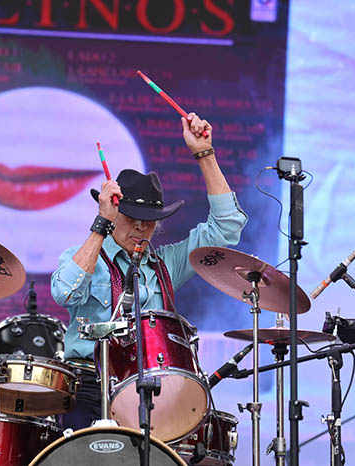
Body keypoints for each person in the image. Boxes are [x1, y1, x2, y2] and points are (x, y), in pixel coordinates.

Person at [50, 113, 248, 430]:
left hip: (153, 390)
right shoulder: (85, 255)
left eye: (150, 220)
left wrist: (205, 154)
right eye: (131, 217)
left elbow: (227, 228)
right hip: (87, 383)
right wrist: (101, 225)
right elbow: (65, 293)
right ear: (114, 213)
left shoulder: (166, 263)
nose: (141, 227)